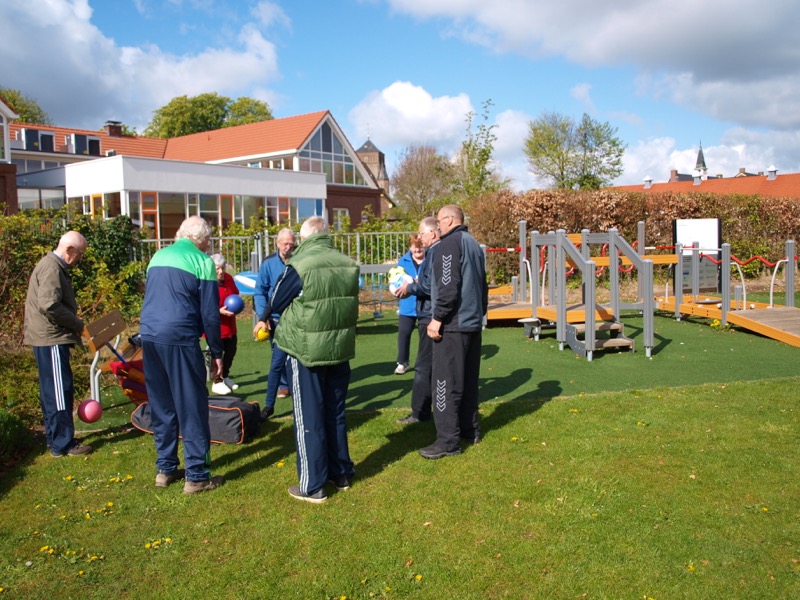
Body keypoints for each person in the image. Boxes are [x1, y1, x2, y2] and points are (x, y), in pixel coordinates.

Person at [253, 216, 359, 504]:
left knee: (308, 418)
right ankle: (342, 473)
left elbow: (276, 299)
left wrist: (263, 320)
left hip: (306, 351)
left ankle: (313, 485)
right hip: (339, 349)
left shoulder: (299, 265)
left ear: (305, 237)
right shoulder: (347, 263)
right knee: (335, 413)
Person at [140, 216, 224, 494]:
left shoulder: (157, 257)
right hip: (179, 337)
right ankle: (197, 475)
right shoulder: (202, 262)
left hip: (149, 336)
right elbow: (210, 314)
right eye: (209, 240)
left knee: (161, 404)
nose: (209, 244)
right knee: (191, 406)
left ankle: (164, 469)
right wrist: (217, 351)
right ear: (201, 239)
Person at [420, 204, 488, 459]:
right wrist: (480, 312)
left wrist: (437, 318)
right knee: (468, 382)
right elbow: (484, 285)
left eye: (438, 221)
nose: (437, 227)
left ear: (449, 220)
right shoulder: (473, 243)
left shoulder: (449, 245)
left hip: (453, 324)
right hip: (471, 323)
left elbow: (448, 285)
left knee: (444, 382)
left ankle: (447, 441)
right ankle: (470, 431)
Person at [24, 230, 93, 458]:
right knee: (59, 392)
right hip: (51, 338)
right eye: (80, 254)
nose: (80, 259)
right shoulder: (52, 267)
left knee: (51, 392)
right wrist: (76, 324)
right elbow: (49, 305)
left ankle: (55, 439)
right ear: (69, 250)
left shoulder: (51, 265)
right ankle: (63, 444)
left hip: (47, 338)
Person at [395, 217, 440, 424]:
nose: (419, 238)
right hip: (433, 315)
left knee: (423, 366)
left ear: (432, 232)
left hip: (429, 315)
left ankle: (419, 413)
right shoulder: (447, 250)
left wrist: (411, 287)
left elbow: (429, 286)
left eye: (421, 233)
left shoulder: (435, 253)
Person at [254, 228, 296, 420]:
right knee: (276, 362)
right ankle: (270, 404)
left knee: (296, 362)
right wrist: (264, 317)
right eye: (285, 243)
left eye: (291, 243)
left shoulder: (299, 262)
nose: (288, 247)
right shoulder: (269, 264)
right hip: (276, 319)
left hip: (296, 320)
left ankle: (298, 400)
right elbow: (260, 292)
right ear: (277, 243)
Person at [392, 235, 424, 374]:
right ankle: (402, 362)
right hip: (407, 305)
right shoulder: (402, 261)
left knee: (426, 336)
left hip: (425, 304)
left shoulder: (431, 258)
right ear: (410, 247)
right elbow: (396, 280)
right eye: (414, 246)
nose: (417, 249)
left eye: (420, 246)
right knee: (404, 334)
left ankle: (424, 363)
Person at [209, 254, 240, 395]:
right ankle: (217, 380)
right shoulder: (207, 282)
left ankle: (225, 376)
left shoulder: (228, 278)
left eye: (222, 268)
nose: (221, 272)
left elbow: (235, 294)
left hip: (230, 325)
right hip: (216, 325)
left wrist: (236, 306)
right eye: (217, 269)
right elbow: (203, 305)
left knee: (231, 350)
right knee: (217, 353)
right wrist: (218, 311)